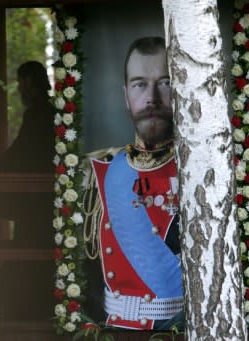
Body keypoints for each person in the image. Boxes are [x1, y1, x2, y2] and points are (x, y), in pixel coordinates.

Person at [83, 37, 184, 330]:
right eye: (140, 84)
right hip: (115, 328)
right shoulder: (102, 170)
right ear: (126, 96)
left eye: (164, 82)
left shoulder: (202, 172)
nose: (151, 97)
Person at [0, 61, 55, 320]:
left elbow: (22, 152)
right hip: (40, 199)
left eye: (22, 83)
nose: (20, 88)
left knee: (29, 247)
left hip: (38, 200)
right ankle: (30, 301)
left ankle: (22, 302)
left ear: (31, 84)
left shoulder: (39, 113)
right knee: (30, 246)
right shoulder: (47, 111)